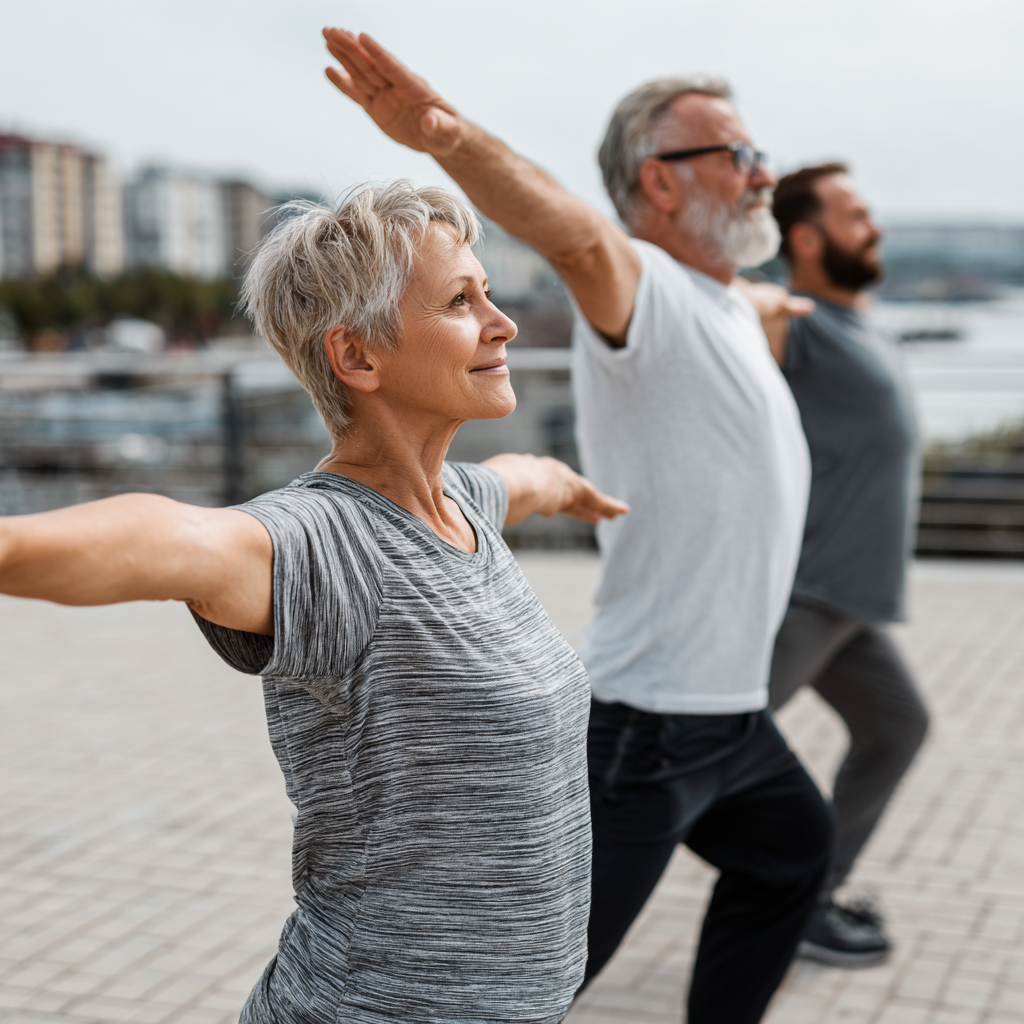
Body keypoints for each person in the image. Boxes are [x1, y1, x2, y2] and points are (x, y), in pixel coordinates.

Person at [0, 182, 630, 1024]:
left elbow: (524, 478)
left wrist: (571, 489)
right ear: (357, 358)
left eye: (487, 292)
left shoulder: (462, 504)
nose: (503, 322)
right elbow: (169, 539)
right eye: (458, 301)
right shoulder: (326, 545)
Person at [322, 30, 834, 1024]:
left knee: (793, 851)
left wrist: (775, 298)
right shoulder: (641, 285)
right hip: (645, 728)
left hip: (729, 716)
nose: (763, 171)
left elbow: (747, 295)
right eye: (737, 155)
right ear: (662, 182)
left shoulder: (725, 302)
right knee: (522, 987)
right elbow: (573, 236)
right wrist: (445, 137)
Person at [766, 164, 930, 966]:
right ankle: (545, 894)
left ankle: (808, 898)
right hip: (808, 592)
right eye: (855, 213)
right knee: (693, 749)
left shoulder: (859, 318)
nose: (874, 225)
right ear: (806, 237)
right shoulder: (793, 319)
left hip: (851, 603)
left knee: (897, 727)